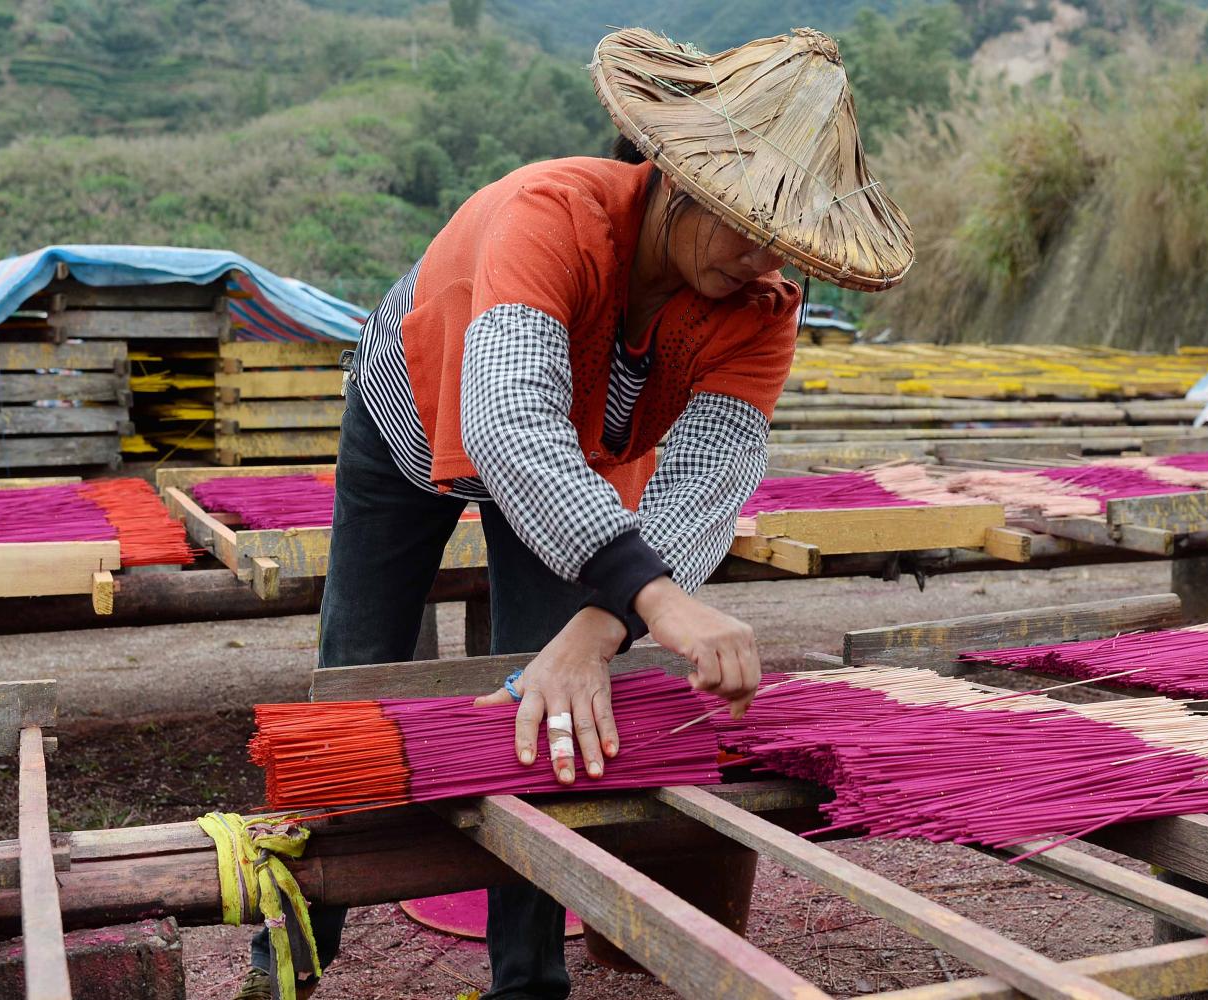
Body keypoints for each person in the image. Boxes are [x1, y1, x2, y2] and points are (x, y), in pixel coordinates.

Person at [235, 25, 912, 1000]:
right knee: (358, 671)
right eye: (743, 220)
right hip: (413, 412)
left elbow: (707, 481)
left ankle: (528, 982)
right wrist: (660, 603)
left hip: (578, 461)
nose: (761, 253)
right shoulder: (550, 214)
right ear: (680, 177)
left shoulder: (759, 306)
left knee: (552, 699)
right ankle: (289, 958)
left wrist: (601, 628)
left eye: (781, 232)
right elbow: (508, 422)